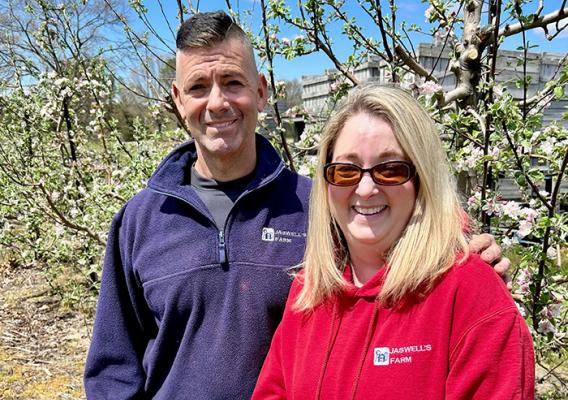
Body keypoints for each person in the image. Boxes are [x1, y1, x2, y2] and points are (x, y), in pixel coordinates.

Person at [84, 11, 510, 400]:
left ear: (261, 91)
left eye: (233, 82)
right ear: (178, 100)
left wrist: (466, 249)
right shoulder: (140, 221)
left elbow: (401, 227)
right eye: (198, 87)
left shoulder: (321, 204)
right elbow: (113, 368)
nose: (217, 103)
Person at [252, 85, 534, 399]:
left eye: (390, 169)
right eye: (346, 170)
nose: (366, 189)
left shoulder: (469, 294)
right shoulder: (309, 292)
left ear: (421, 179)